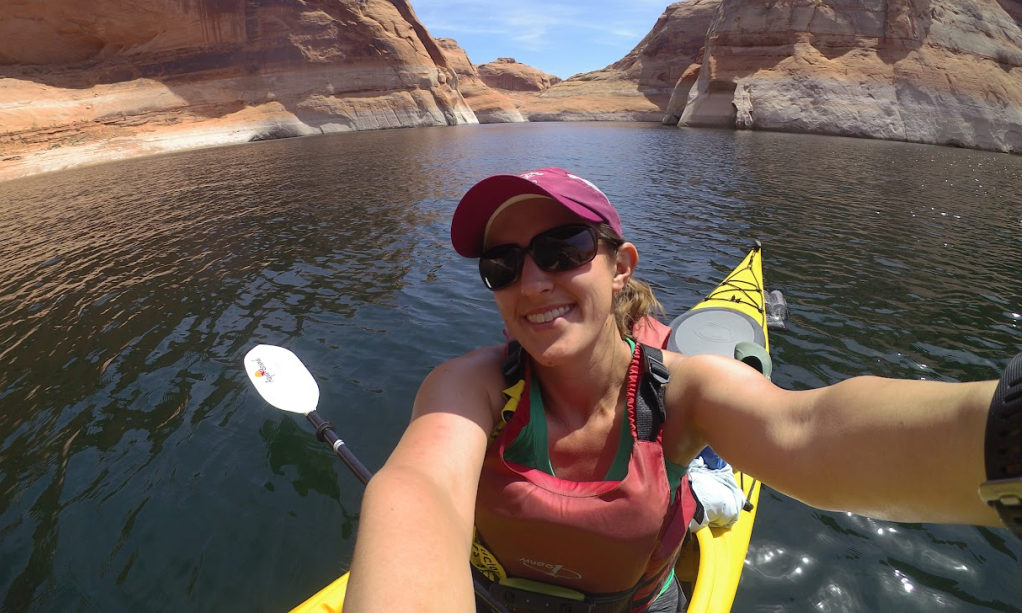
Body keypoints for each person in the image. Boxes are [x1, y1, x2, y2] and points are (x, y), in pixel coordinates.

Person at [343, 166, 1017, 613]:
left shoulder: (685, 390)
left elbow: (810, 433)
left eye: (563, 249)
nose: (534, 282)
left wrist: (1004, 438)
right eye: (503, 265)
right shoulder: (472, 384)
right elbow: (419, 489)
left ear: (620, 266)